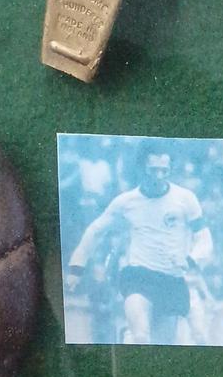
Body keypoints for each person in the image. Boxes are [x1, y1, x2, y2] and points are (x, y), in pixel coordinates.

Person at [67, 144, 213, 345]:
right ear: (141, 168)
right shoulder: (126, 202)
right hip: (138, 277)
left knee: (163, 344)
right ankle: (133, 335)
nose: (159, 176)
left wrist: (191, 260)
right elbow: (95, 231)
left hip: (171, 280)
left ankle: (128, 336)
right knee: (141, 336)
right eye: (153, 170)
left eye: (164, 170)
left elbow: (204, 238)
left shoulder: (186, 199)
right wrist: (77, 267)